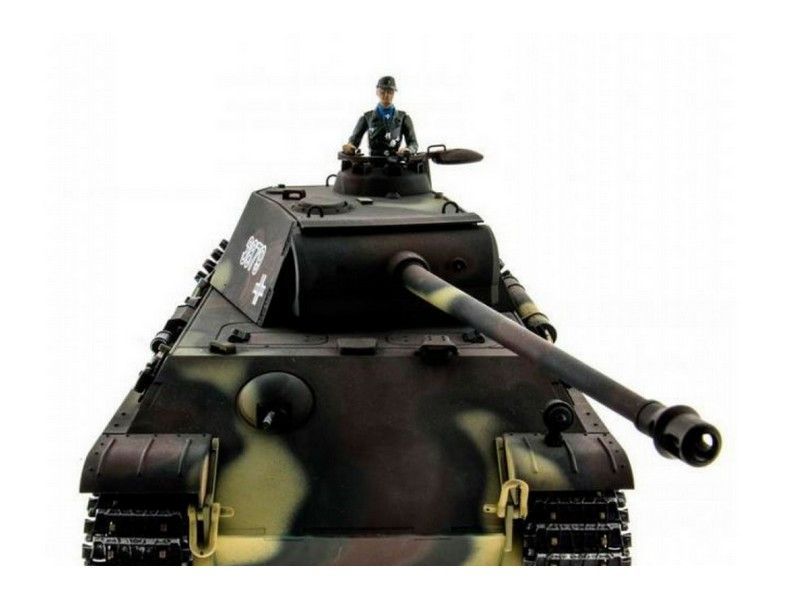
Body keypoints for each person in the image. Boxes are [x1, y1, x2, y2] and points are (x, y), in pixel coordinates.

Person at [342, 76, 418, 157]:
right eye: (382, 92)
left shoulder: (403, 118)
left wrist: (408, 150)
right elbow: (354, 141)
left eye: (390, 92)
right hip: (373, 161)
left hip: (396, 161)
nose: (386, 95)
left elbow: (413, 143)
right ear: (377, 92)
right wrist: (350, 147)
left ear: (394, 93)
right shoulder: (367, 117)